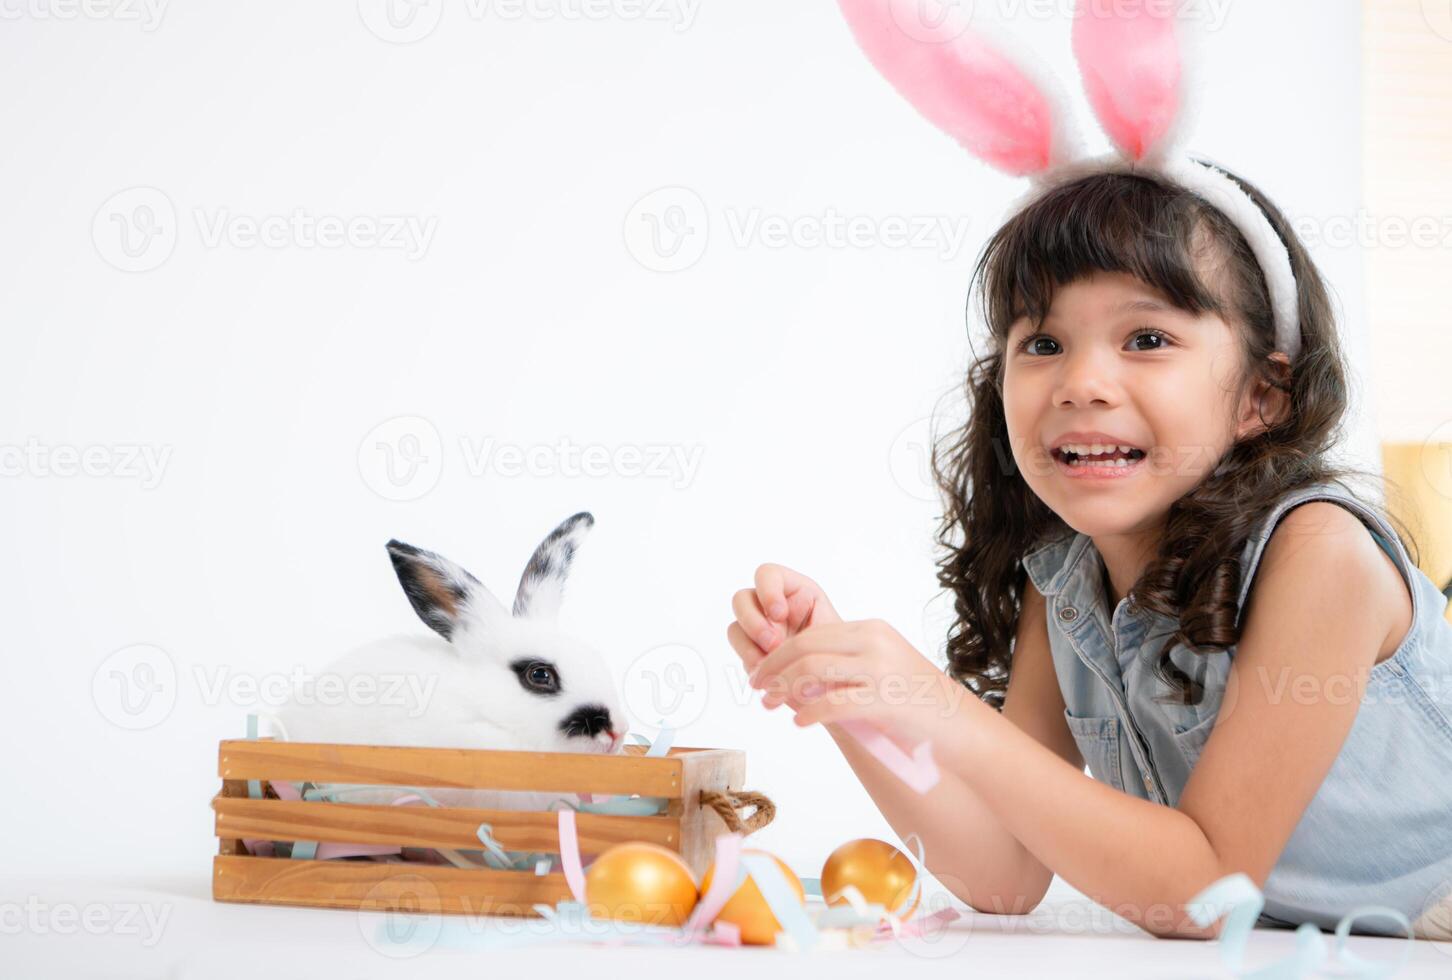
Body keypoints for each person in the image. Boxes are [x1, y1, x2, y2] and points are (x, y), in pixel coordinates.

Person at [728, 0, 1452, 943]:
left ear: (1260, 398)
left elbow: (1205, 896)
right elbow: (1004, 870)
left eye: (1146, 337)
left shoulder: (1319, 554)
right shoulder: (1068, 579)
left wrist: (937, 701)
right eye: (1042, 342)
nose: (1081, 382)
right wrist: (858, 703)